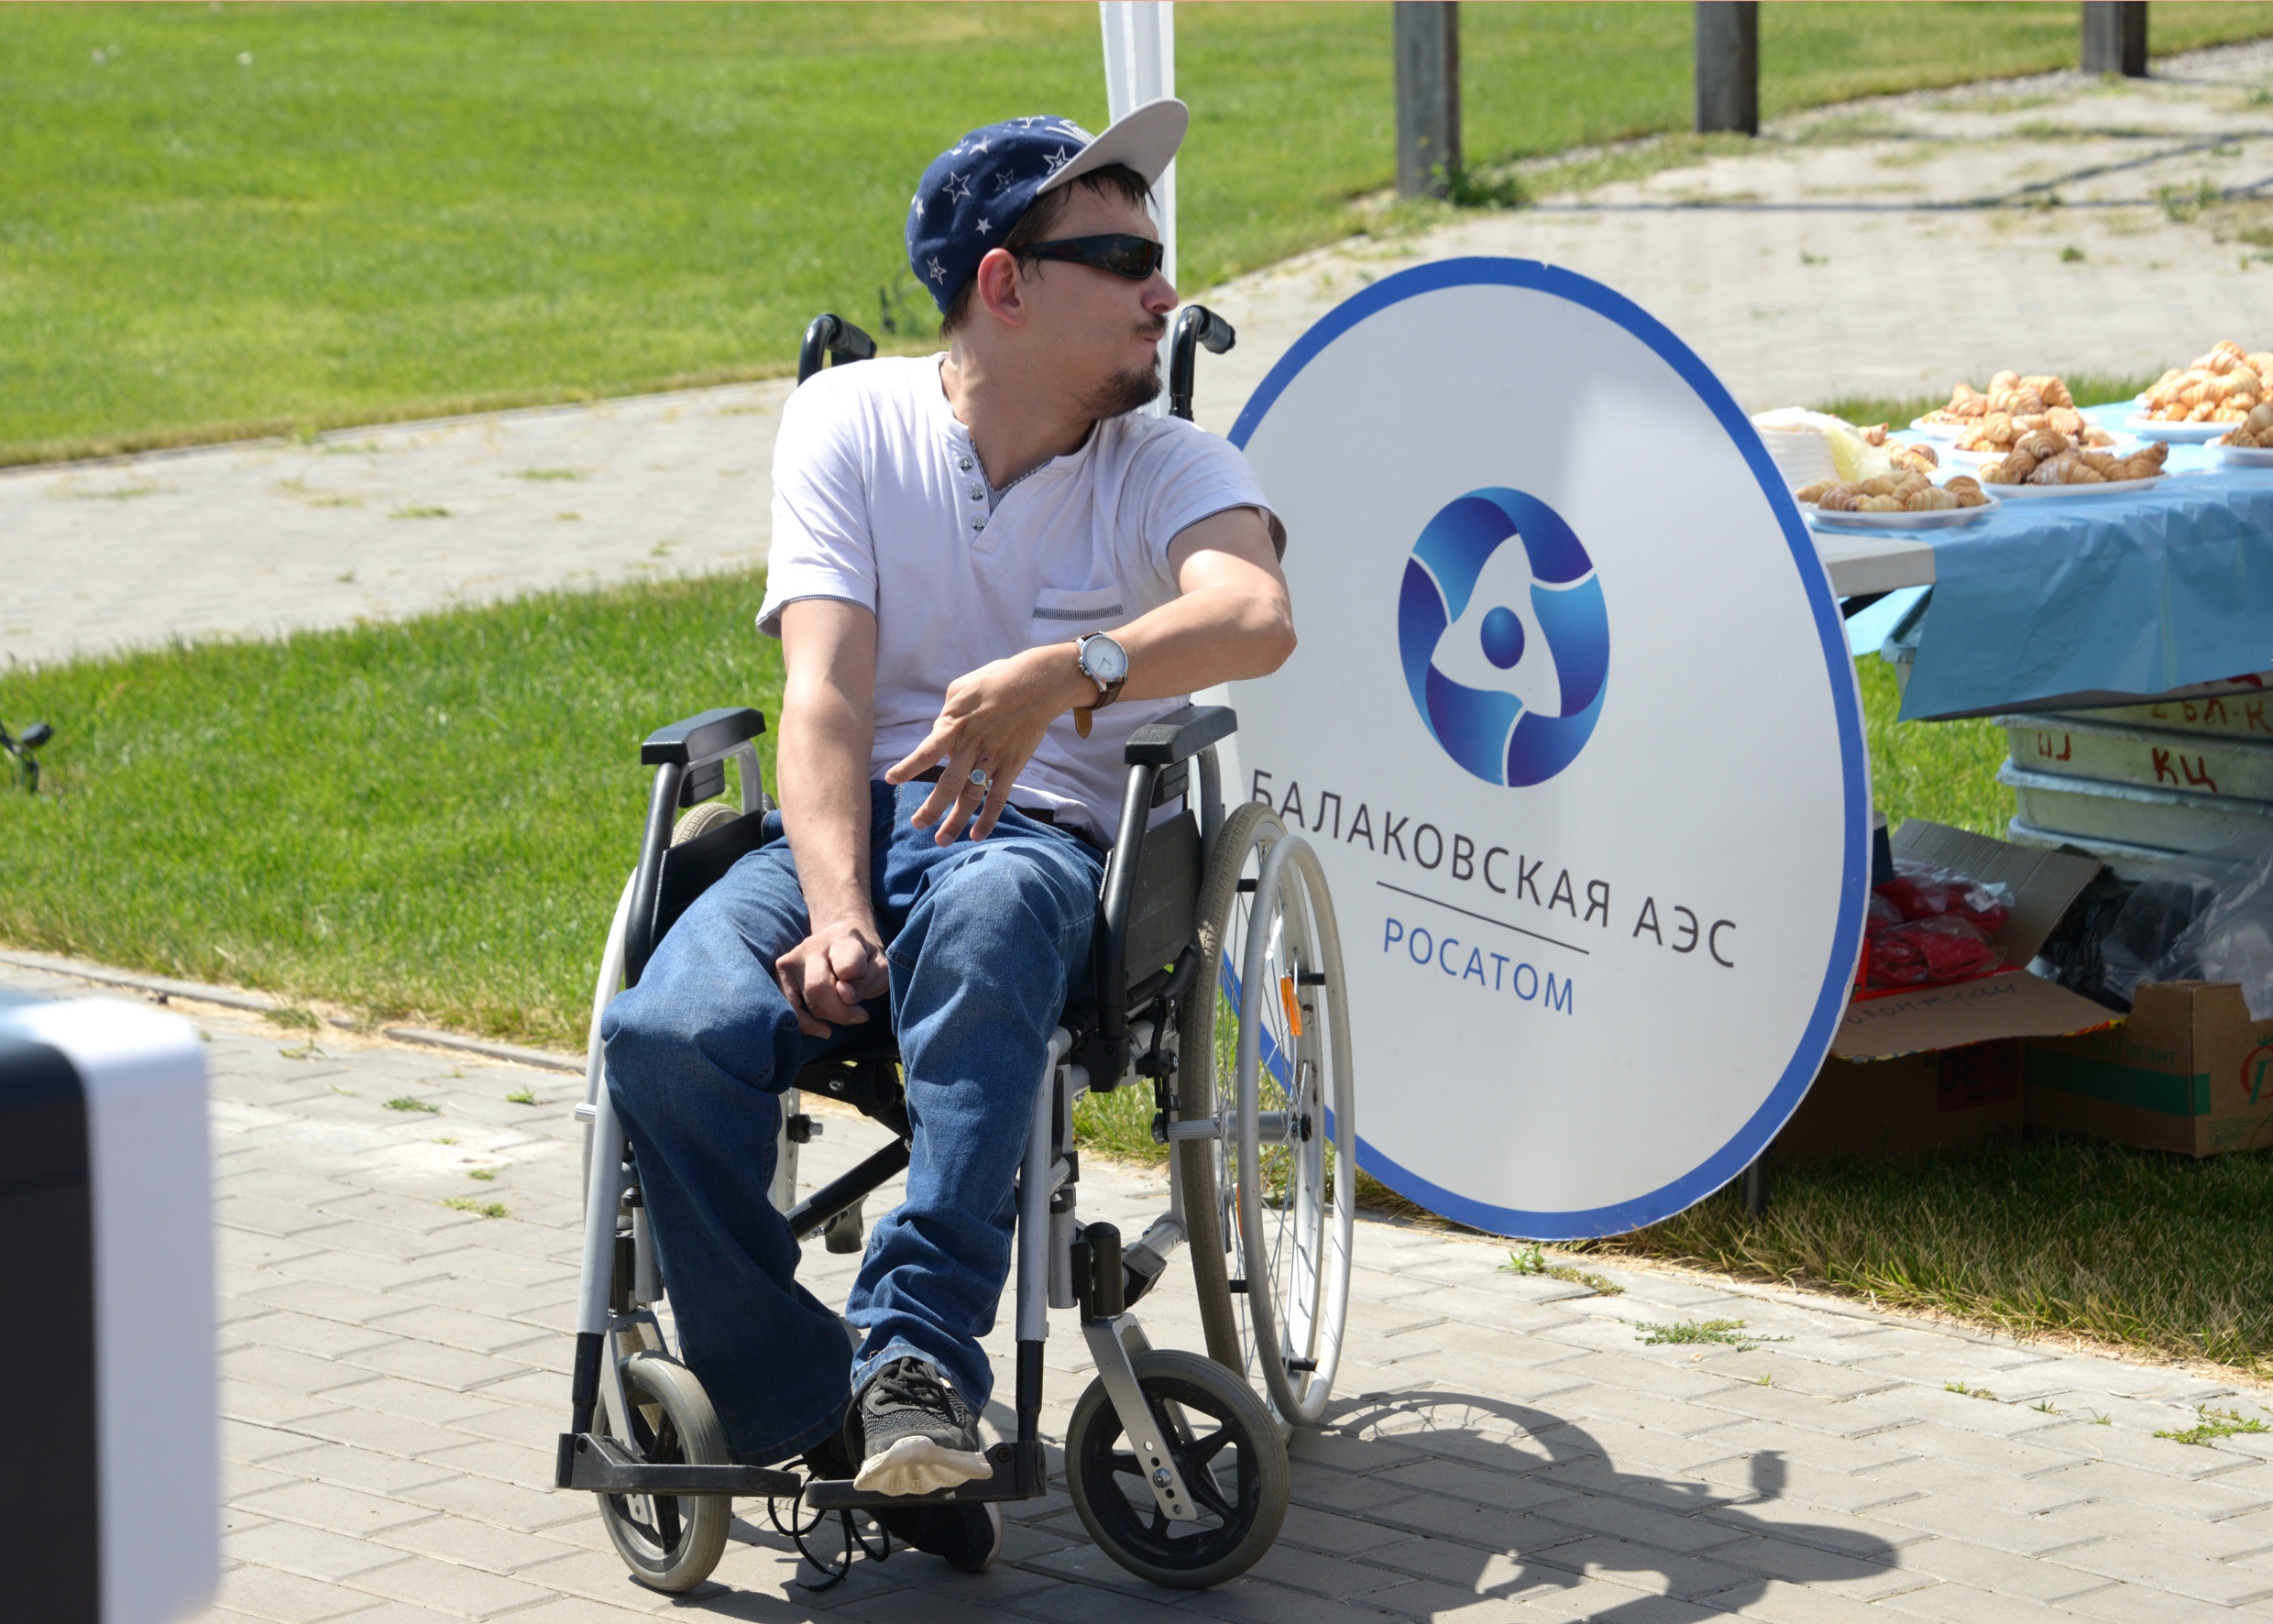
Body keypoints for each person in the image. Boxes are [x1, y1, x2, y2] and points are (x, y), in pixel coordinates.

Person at [601, 98, 1294, 1574]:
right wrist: (836, 908)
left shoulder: (1164, 462)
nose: (1166, 291)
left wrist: (1070, 673)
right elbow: (825, 691)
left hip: (1038, 846)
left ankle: (915, 1357)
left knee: (988, 925)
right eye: (1126, 260)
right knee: (661, 1035)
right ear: (1003, 283)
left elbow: (1254, 615)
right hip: (847, 828)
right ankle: (811, 1400)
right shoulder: (848, 422)